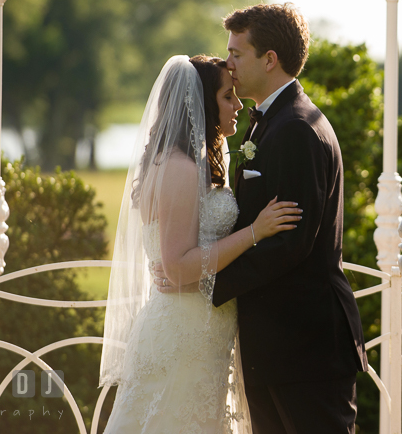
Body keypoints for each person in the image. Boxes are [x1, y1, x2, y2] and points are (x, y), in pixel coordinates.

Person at [100, 54, 301, 434]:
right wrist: (255, 232)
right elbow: (177, 266)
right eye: (228, 97)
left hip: (200, 327)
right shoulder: (179, 168)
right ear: (203, 105)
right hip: (184, 334)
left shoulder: (185, 161)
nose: (238, 104)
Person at [209, 3, 368, 433]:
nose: (229, 64)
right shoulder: (268, 122)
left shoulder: (297, 128)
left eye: (237, 54)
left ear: (270, 59)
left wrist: (210, 283)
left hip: (306, 346)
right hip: (276, 347)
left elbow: (291, 243)